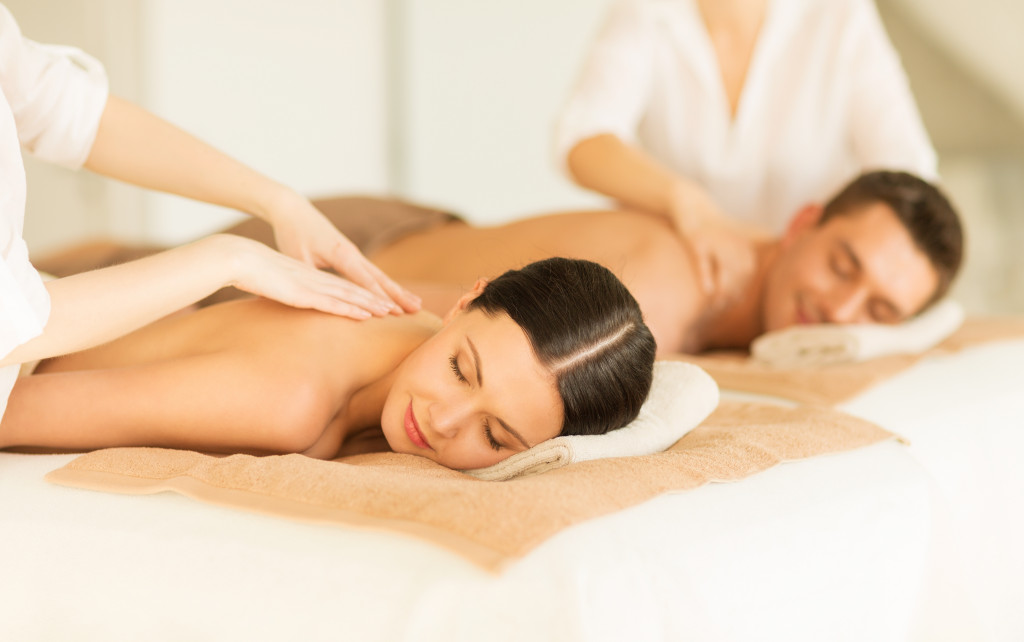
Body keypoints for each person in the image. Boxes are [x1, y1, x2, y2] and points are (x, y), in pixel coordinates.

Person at [40, 171, 965, 358]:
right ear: (803, 221)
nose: (842, 308)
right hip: (379, 249)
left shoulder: (746, 306)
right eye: (845, 263)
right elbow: (486, 315)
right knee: (107, 294)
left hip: (425, 219)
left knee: (128, 266)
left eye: (880, 309)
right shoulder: (672, 288)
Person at [0, 4, 417, 419]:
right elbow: (12, 326)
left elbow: (62, 108)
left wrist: (281, 203)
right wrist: (227, 259)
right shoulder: (293, 404)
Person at [0, 258, 657, 471]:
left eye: (496, 437)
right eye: (461, 369)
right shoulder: (288, 402)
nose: (445, 419)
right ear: (461, 304)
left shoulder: (405, 333)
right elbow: (12, 410)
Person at [554, 0, 937, 296]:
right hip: (695, 283)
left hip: (809, 291)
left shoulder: (837, 14)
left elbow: (911, 178)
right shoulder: (649, 10)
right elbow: (582, 139)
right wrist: (688, 202)